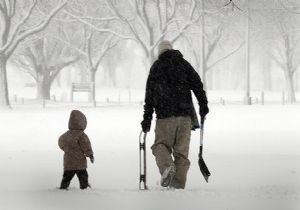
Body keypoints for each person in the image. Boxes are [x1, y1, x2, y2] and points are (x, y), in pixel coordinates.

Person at [141, 40, 209, 189]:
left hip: (165, 117)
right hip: (185, 117)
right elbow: (197, 84)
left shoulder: (156, 68)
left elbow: (149, 96)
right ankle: (178, 187)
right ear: (171, 50)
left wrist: (147, 118)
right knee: (181, 154)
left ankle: (167, 167)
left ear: (160, 52)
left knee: (160, 145)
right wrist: (203, 104)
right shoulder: (183, 64)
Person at [58, 110, 94, 190]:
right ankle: (84, 187)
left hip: (69, 162)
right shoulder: (81, 135)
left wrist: (66, 149)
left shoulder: (66, 134)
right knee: (83, 176)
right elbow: (86, 145)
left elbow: (60, 142)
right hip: (79, 161)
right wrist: (90, 154)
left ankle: (63, 187)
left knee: (67, 176)